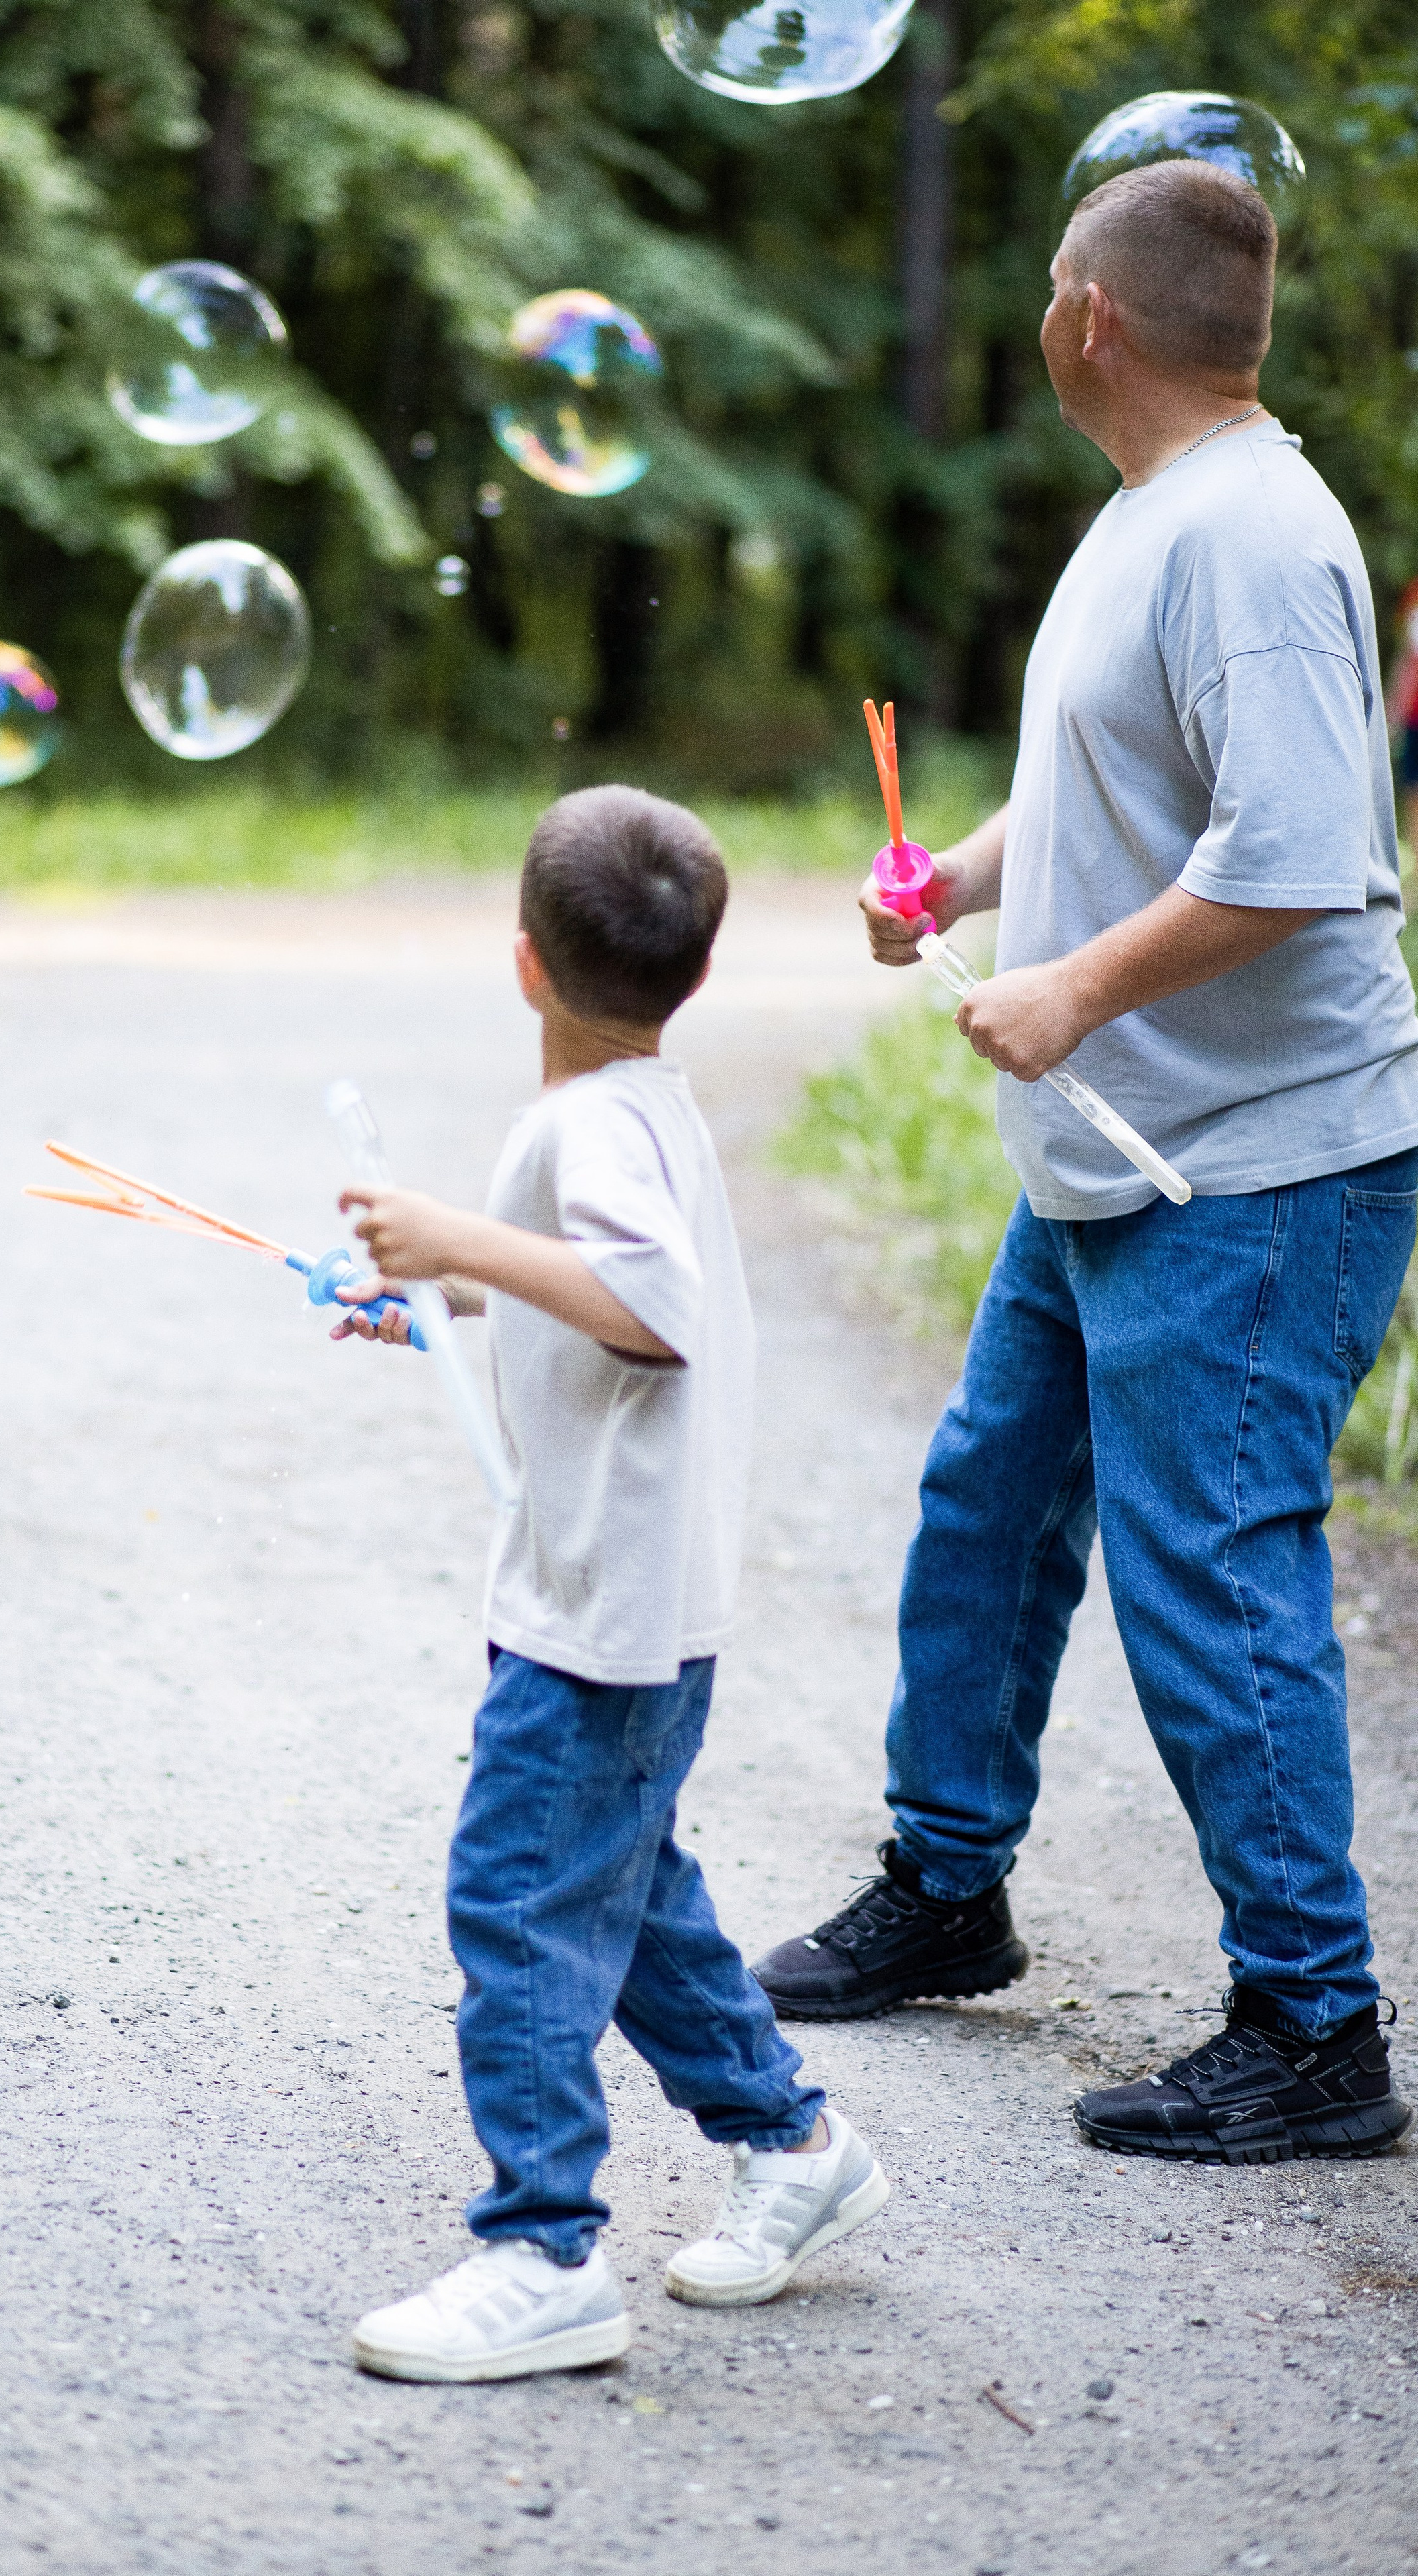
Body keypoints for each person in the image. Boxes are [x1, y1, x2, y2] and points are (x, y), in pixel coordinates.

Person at [754, 162, 1418, 2165]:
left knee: (1207, 1573)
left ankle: (1312, 2026)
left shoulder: (1252, 535)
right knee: (990, 1498)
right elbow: (1119, 787)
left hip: (1258, 1174)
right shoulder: (1152, 518)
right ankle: (948, 1884)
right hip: (1116, 1157)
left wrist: (1065, 994)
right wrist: (957, 877)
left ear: (1088, 322)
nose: (1046, 310)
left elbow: (1301, 862)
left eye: (1051, 284)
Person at [333, 786, 889, 2382]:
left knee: (517, 1895)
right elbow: (604, 1299)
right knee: (622, 1887)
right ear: (691, 977)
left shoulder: (581, 1124)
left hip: (600, 1607)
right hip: (636, 1594)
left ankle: (541, 2251)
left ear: (523, 964)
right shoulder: (645, 1103)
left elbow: (649, 1307)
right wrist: (442, 1292)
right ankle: (790, 2145)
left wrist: (451, 1230)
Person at [1385, 577, 1418, 859]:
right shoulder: (1413, 595)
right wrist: (1392, 717)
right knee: (1413, 798)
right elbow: (1407, 663)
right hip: (1414, 720)